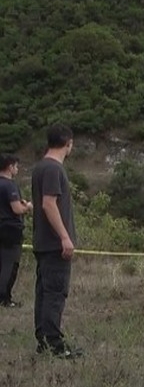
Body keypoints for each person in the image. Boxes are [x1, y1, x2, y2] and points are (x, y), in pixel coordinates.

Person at [31, 124, 81, 358]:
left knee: (44, 292)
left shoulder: (40, 167)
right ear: (68, 143)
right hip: (54, 244)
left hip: (43, 242)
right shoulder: (53, 169)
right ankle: (54, 345)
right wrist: (64, 237)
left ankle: (44, 341)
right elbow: (48, 204)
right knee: (54, 293)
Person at [0, 154, 34, 308]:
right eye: (16, 166)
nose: (17, 169)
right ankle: (4, 298)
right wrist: (27, 207)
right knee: (10, 264)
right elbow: (16, 209)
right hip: (11, 229)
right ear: (9, 167)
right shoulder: (10, 185)